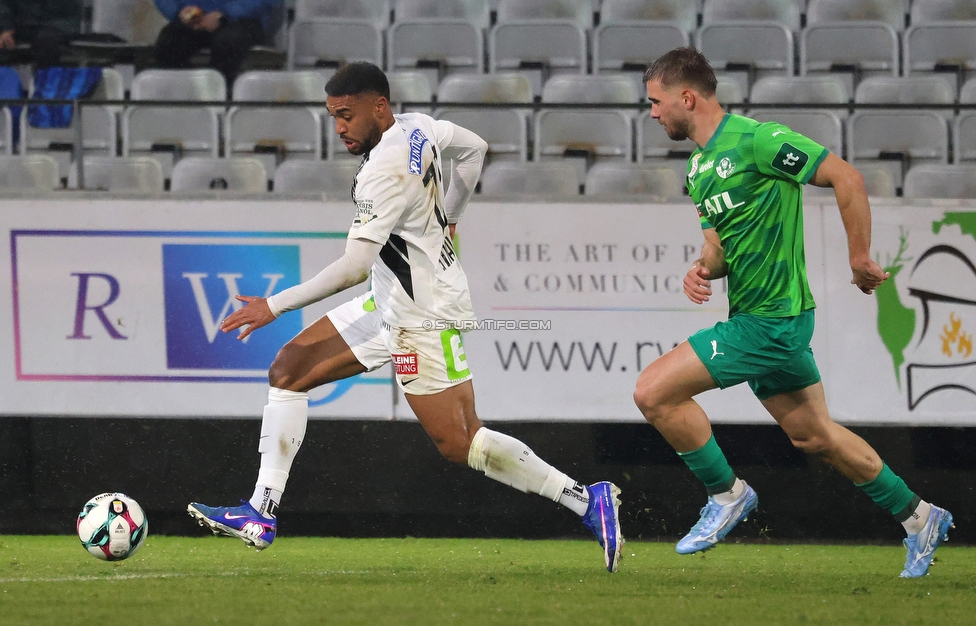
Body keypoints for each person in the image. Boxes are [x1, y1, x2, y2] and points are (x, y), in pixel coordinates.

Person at [187, 61, 624, 573]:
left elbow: (352, 268)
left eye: (346, 115)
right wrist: (452, 216)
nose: (339, 128)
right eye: (332, 117)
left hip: (423, 315)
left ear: (378, 106)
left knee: (460, 442)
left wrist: (273, 305)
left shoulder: (383, 171)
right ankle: (260, 512)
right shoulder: (419, 127)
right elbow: (476, 149)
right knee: (289, 371)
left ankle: (583, 499)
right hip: (389, 301)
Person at [633, 47, 953, 578]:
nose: (652, 113)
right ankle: (920, 516)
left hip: (772, 321)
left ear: (687, 97)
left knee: (653, 392)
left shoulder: (760, 140)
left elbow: (846, 178)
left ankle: (726, 493)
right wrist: (702, 269)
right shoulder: (697, 170)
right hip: (765, 320)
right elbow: (718, 251)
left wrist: (859, 258)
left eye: (656, 101)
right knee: (815, 437)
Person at [153, 0, 280, 84]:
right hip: (193, 19)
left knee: (228, 42)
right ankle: (176, 98)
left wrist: (224, 14)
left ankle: (219, 100)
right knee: (170, 41)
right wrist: (178, 11)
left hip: (244, 19)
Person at [0, 0, 83, 68]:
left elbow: (72, 21)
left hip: (52, 30)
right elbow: (4, 8)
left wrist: (48, 27)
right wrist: (5, 28)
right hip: (19, 27)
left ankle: (44, 80)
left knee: (47, 39)